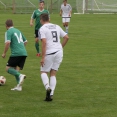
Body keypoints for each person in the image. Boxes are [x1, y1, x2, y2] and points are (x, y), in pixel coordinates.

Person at [39, 13, 69, 101]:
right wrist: (60, 47)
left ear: (41, 20)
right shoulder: (57, 26)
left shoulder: (42, 28)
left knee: (43, 72)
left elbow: (44, 43)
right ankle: (51, 94)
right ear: (49, 19)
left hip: (49, 53)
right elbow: (66, 37)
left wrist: (43, 57)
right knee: (53, 73)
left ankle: (48, 87)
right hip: (59, 52)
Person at [2, 19, 27, 91]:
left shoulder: (8, 32)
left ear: (6, 26)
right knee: (16, 68)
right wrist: (21, 48)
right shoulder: (18, 31)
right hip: (24, 53)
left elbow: (7, 43)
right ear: (13, 25)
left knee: (8, 68)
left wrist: (4, 53)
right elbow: (25, 42)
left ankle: (20, 75)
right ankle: (19, 87)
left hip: (16, 53)